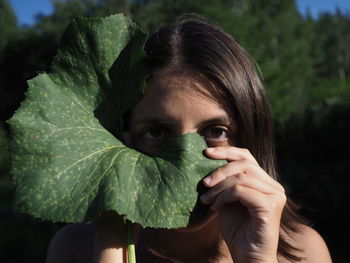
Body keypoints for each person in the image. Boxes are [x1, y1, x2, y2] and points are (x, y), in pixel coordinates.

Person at [45, 15, 332, 263]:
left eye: (216, 131)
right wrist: (111, 245)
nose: (184, 161)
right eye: (157, 132)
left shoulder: (303, 252)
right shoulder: (77, 247)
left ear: (249, 137)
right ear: (123, 142)